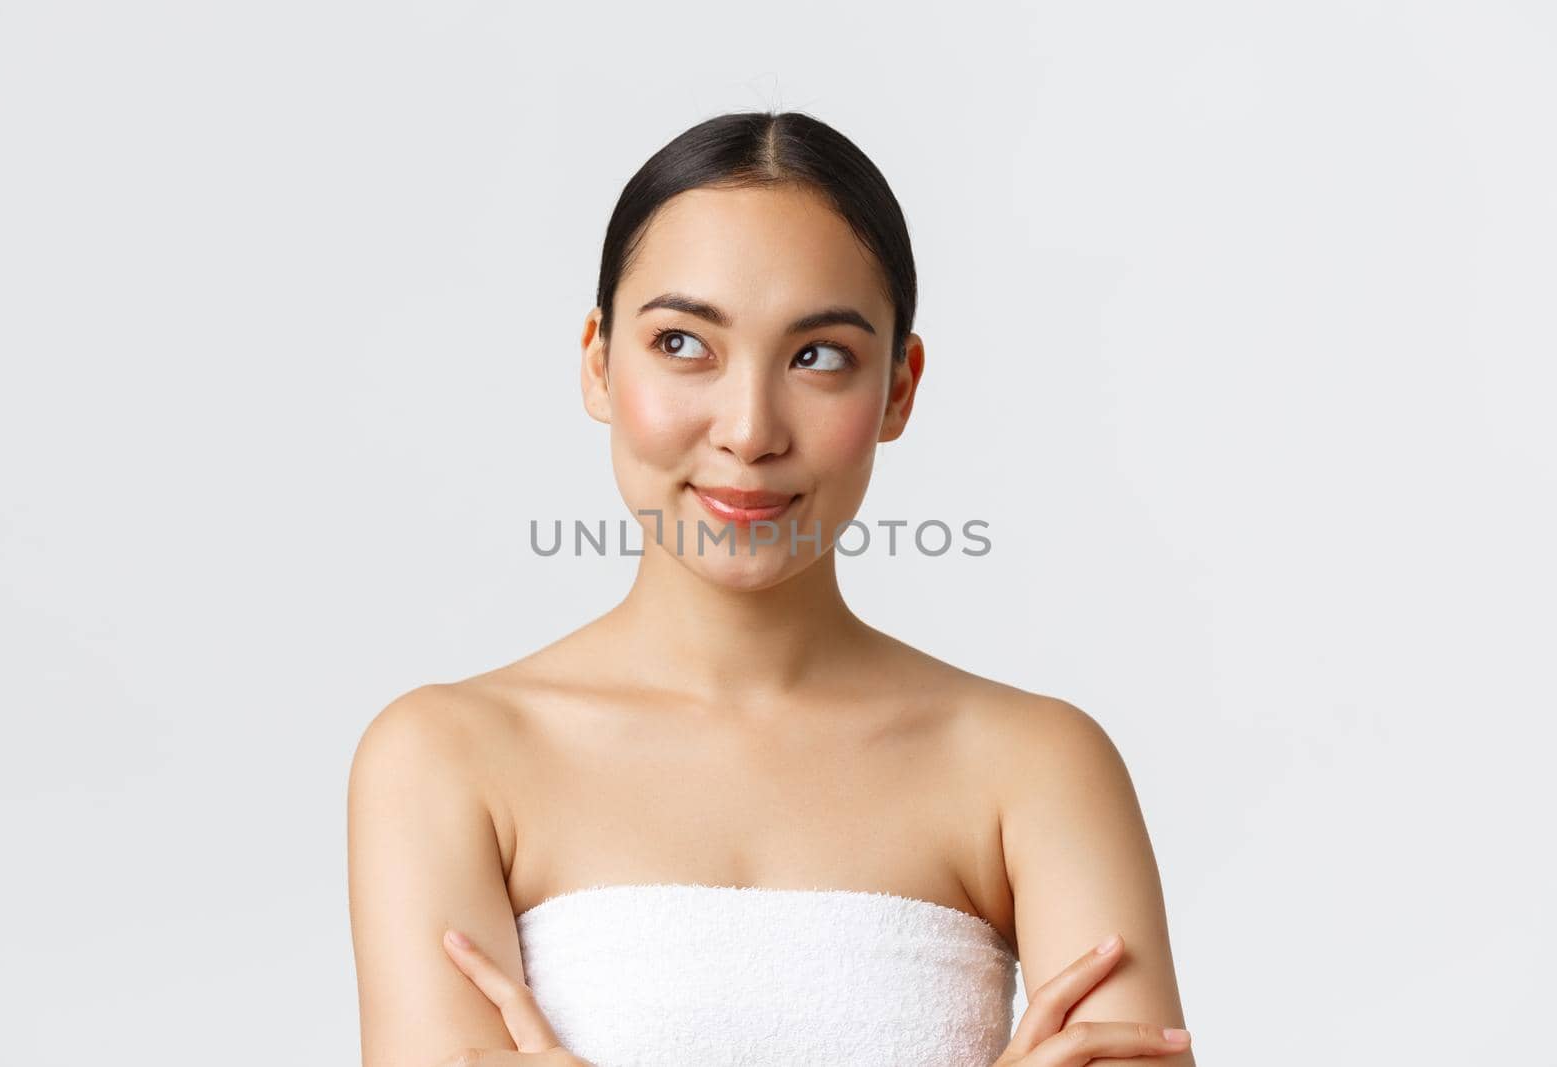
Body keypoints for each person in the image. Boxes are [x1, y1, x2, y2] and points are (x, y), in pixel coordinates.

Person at [348, 110, 1194, 1067]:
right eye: (681, 343)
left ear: (899, 390)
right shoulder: (446, 760)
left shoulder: (1038, 768)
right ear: (598, 361)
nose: (750, 430)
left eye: (818, 356)